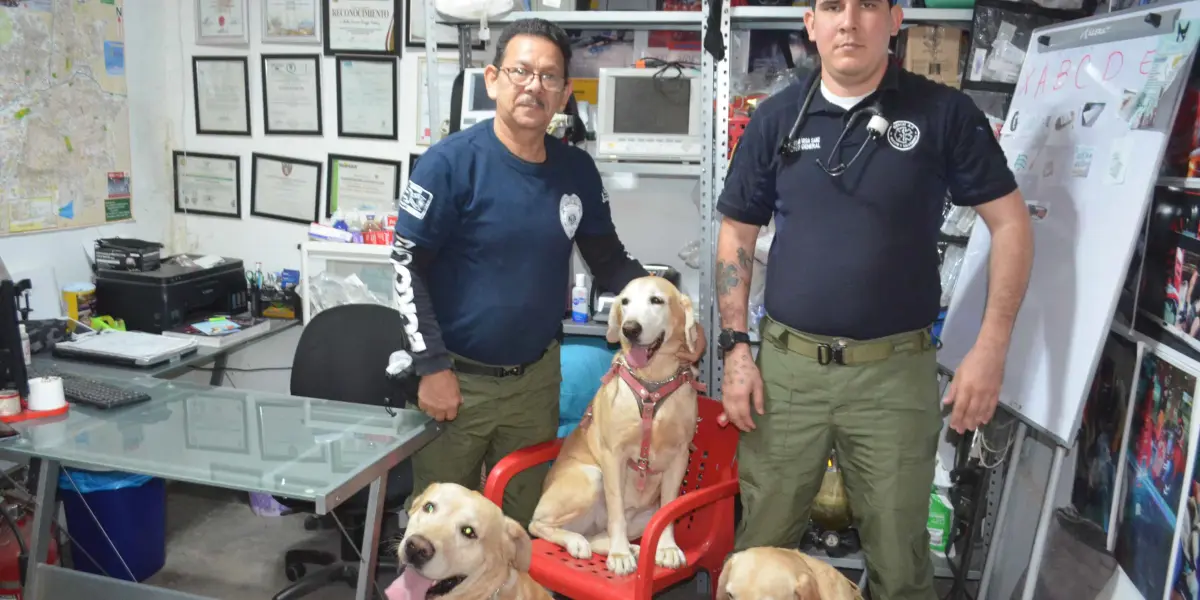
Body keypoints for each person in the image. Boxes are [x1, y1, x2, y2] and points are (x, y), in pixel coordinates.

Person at [712, 0, 1033, 596]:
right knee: (760, 551)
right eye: (832, 6)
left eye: (867, 6)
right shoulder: (777, 116)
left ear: (896, 18)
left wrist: (991, 346)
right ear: (810, 23)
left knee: (900, 556)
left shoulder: (943, 113)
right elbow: (736, 233)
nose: (849, 21)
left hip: (893, 378)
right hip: (788, 375)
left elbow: (1012, 224)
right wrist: (735, 349)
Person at [389, 18, 706, 527]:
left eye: (550, 77)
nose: (534, 86)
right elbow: (406, 265)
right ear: (493, 79)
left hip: (535, 384)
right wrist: (431, 367)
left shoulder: (575, 171)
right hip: (458, 381)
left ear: (563, 95)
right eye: (521, 71)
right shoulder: (448, 165)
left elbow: (609, 260)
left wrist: (672, 314)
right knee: (438, 532)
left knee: (522, 529)